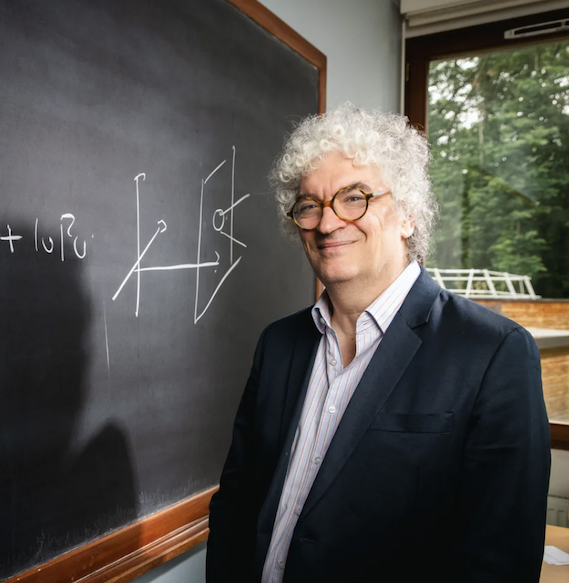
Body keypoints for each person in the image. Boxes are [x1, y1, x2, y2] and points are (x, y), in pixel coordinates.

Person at [206, 104, 551, 583]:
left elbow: (499, 561)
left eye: (354, 198)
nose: (327, 224)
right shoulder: (279, 344)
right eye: (310, 205)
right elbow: (237, 503)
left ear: (407, 213)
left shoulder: (494, 352)